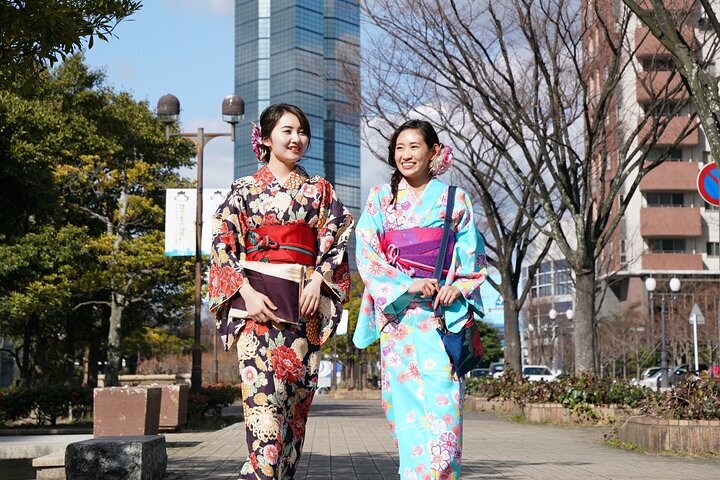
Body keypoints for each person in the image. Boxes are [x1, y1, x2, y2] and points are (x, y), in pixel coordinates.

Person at [208, 103, 353, 479]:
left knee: (293, 415)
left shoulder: (319, 189)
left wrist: (321, 277)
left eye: (302, 131)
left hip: (302, 315)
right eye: (287, 130)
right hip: (257, 314)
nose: (296, 138)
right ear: (267, 138)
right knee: (264, 415)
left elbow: (337, 235)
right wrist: (246, 294)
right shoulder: (243, 189)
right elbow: (223, 244)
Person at [353, 119, 486, 480]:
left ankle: (441, 473)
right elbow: (366, 250)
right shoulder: (381, 198)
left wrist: (456, 286)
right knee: (405, 411)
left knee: (446, 410)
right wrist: (405, 284)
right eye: (399, 147)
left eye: (414, 146)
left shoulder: (456, 199)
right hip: (400, 319)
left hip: (442, 318)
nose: (406, 154)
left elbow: (471, 255)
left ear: (433, 152)